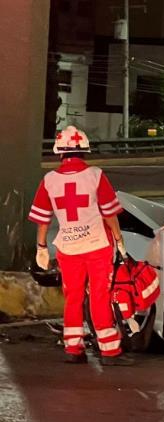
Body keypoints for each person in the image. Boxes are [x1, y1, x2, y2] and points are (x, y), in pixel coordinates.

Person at [29, 125, 133, 366]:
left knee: (73, 297)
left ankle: (73, 349)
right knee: (99, 295)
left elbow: (42, 219)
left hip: (68, 249)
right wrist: (119, 240)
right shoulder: (96, 175)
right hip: (97, 246)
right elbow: (109, 214)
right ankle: (109, 351)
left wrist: (41, 247)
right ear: (84, 150)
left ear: (59, 152)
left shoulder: (49, 180)